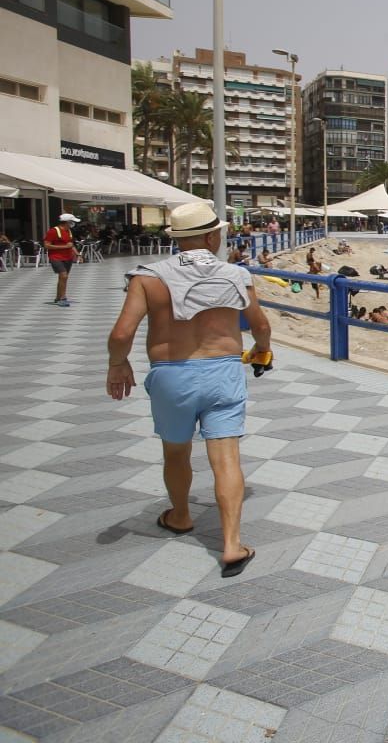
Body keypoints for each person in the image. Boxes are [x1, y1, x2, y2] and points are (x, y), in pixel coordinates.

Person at [106, 203, 266, 578]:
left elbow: (121, 334)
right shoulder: (236, 274)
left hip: (171, 374)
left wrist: (118, 364)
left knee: (175, 453)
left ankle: (180, 516)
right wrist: (261, 351)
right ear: (211, 237)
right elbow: (260, 326)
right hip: (223, 372)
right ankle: (231, 545)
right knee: (226, 459)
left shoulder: (147, 277)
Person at [44, 212, 80, 306]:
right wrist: (64, 247)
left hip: (68, 257)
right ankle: (63, 298)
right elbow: (46, 245)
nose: (73, 224)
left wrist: (77, 254)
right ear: (67, 222)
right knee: (64, 276)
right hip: (56, 257)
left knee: (63, 278)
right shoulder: (53, 231)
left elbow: (71, 245)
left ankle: (58, 297)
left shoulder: (69, 231)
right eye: (72, 222)